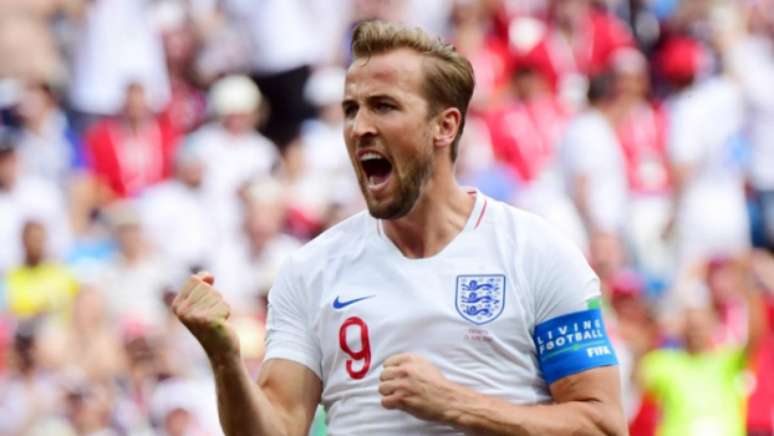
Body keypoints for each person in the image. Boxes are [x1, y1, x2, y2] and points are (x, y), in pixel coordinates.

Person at [173, 20, 626, 435]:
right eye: (351, 109)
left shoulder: (536, 252)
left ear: (444, 126)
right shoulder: (311, 270)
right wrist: (225, 358)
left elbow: (603, 425)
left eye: (383, 106)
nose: (359, 127)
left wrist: (457, 404)